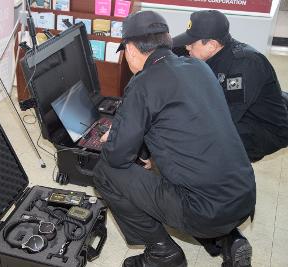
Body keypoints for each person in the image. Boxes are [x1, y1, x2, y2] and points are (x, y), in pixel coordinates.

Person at [93, 11, 256, 267]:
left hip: (203, 211)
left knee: (105, 171)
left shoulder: (143, 83)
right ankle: (227, 238)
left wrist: (119, 133)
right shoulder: (198, 66)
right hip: (243, 197)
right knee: (186, 172)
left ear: (132, 49)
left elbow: (117, 155)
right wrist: (145, 151)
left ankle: (162, 254)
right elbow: (180, 125)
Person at [173, 10, 288, 162]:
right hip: (244, 110)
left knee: (199, 142)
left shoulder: (243, 65)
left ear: (212, 45)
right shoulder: (214, 50)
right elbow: (172, 49)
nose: (187, 47)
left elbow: (223, 119)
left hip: (265, 127)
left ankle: (227, 180)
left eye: (191, 43)